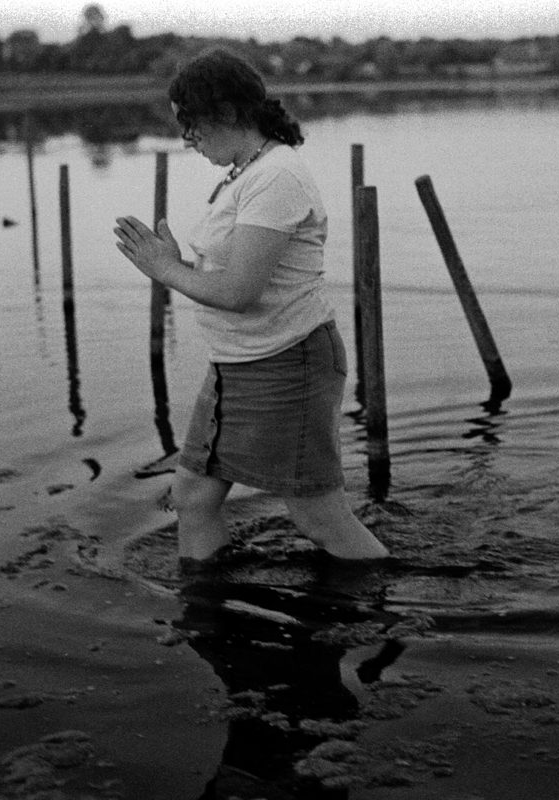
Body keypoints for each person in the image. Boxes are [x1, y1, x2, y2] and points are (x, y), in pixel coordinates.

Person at [113, 49, 388, 566]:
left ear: (229, 113)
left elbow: (241, 292)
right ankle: (207, 610)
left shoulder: (277, 176)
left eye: (192, 124)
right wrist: (177, 265)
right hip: (237, 364)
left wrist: (164, 269)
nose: (187, 139)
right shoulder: (246, 173)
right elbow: (229, 278)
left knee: (317, 517)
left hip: (288, 362)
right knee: (192, 498)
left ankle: (388, 603)